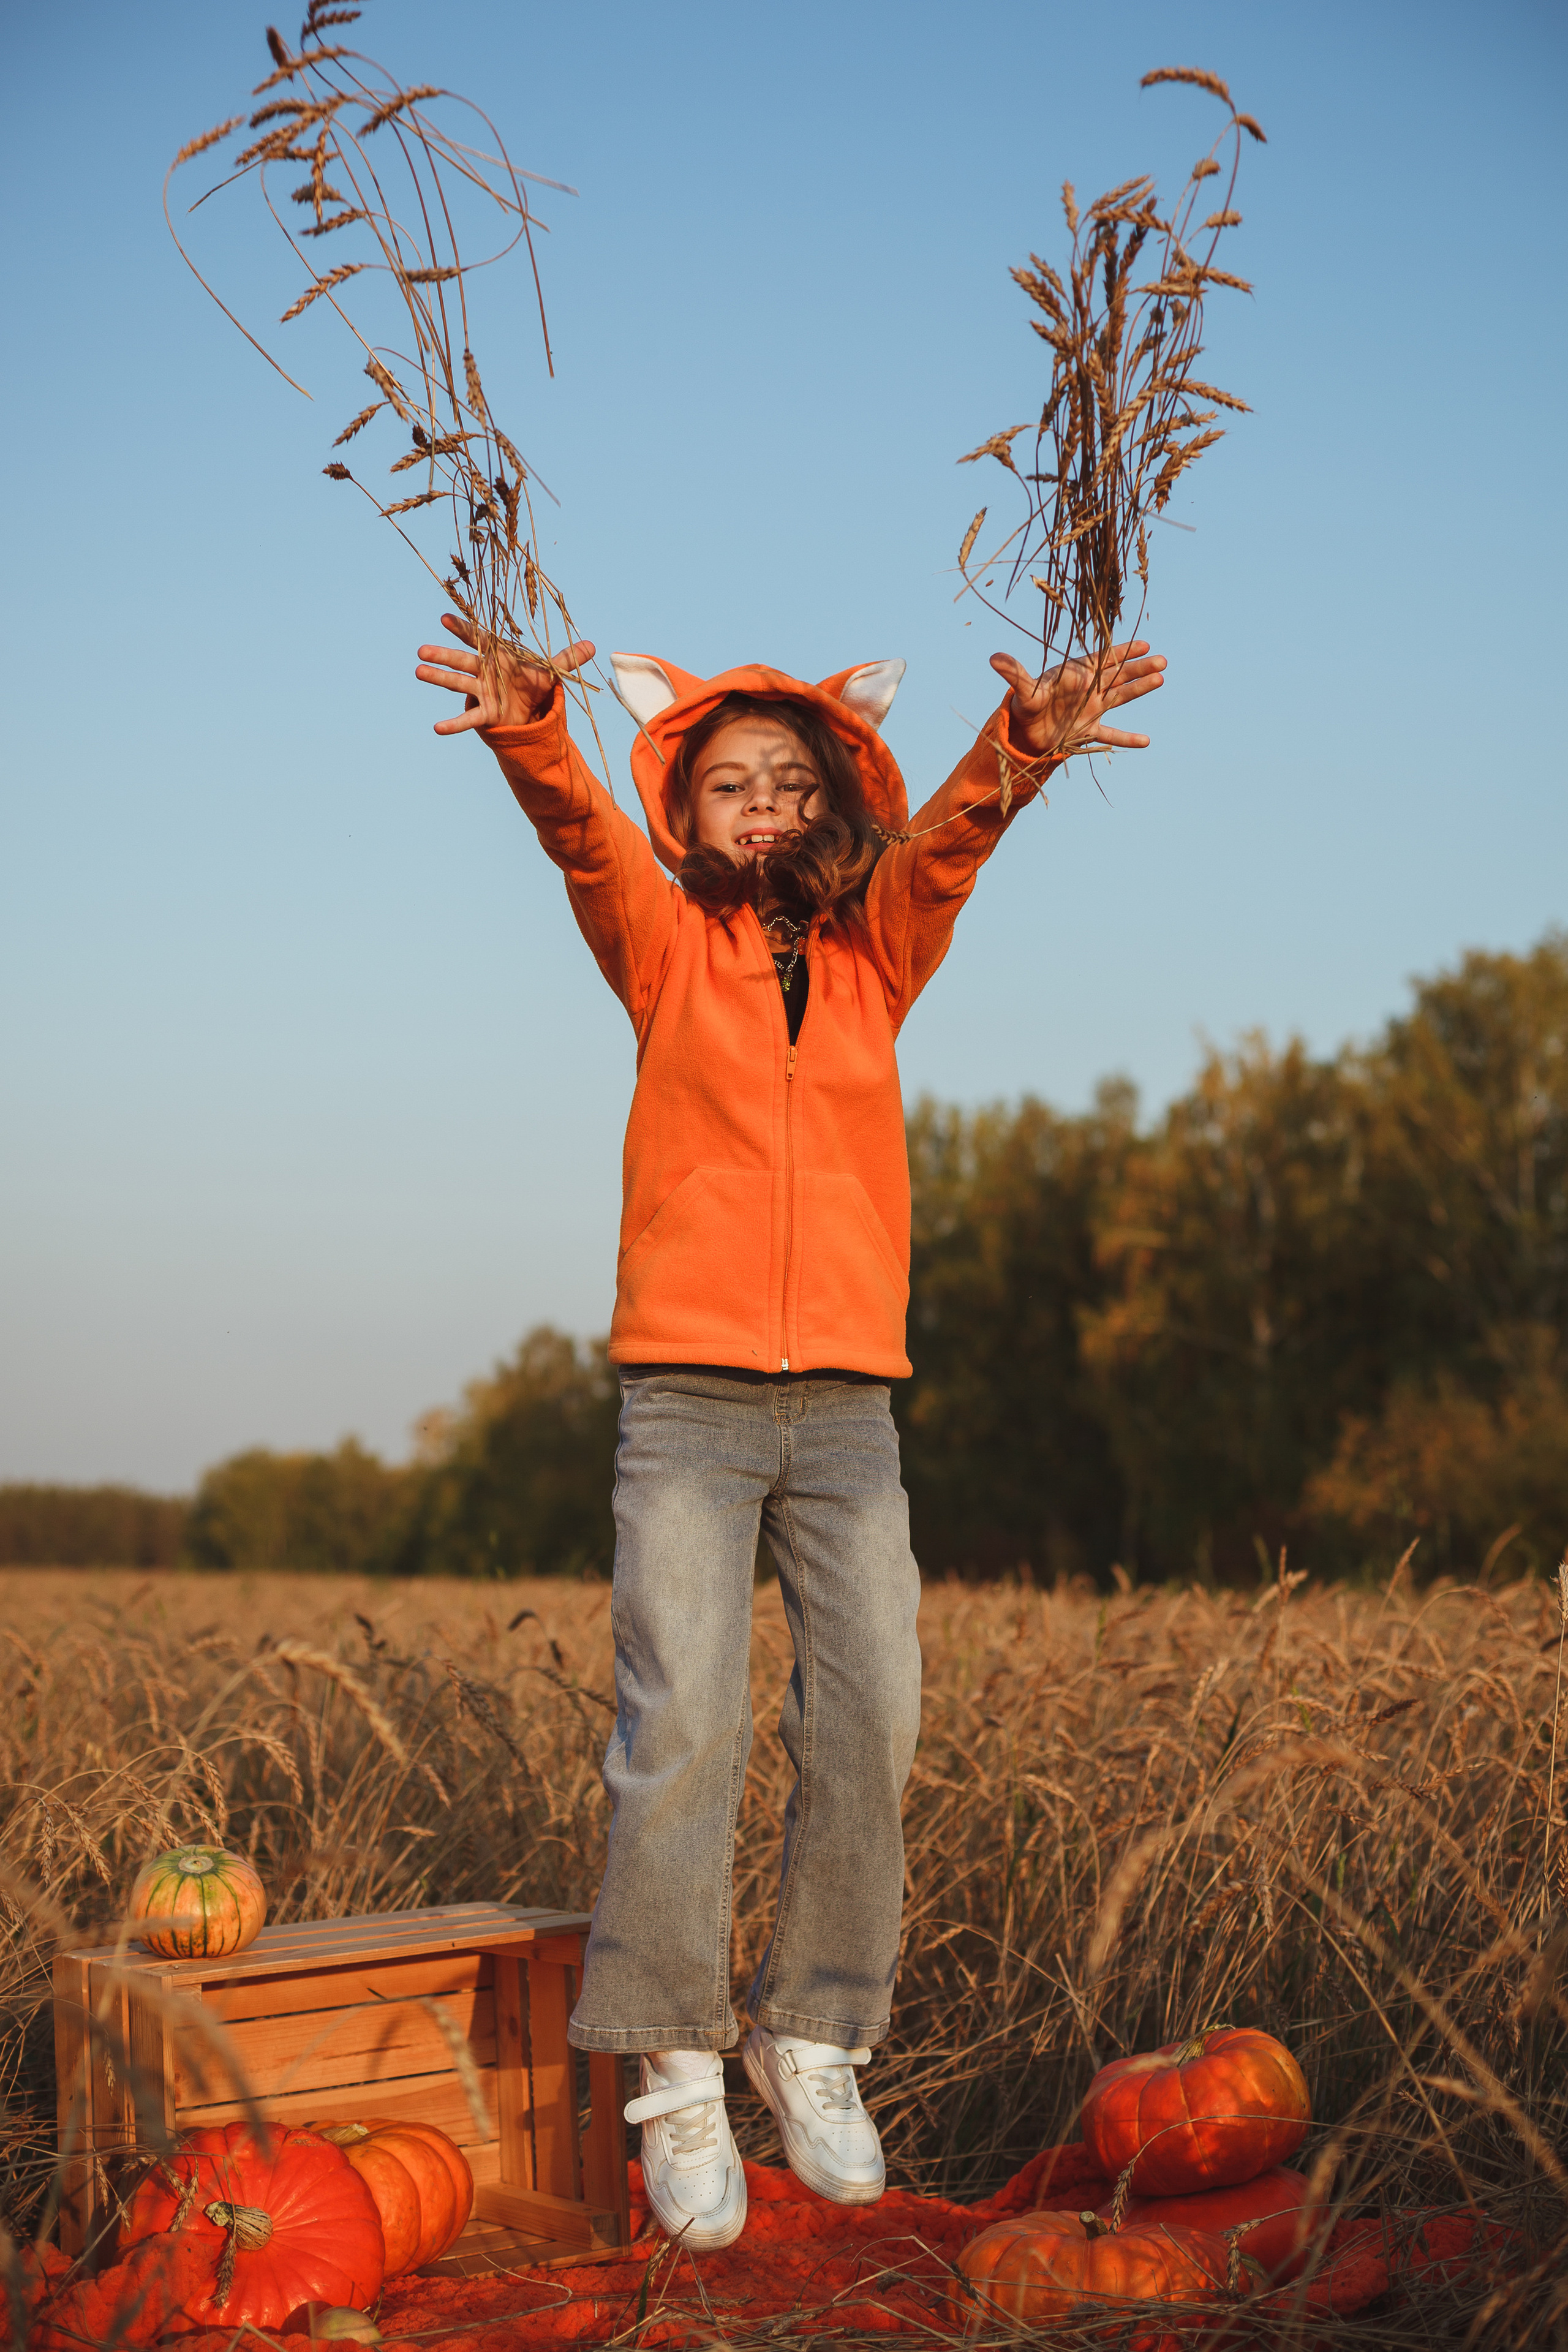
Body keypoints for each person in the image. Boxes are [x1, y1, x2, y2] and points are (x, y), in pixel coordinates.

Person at [413, 616, 1164, 2247]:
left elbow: (951, 853)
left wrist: (1018, 750)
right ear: (684, 813)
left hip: (847, 1406)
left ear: (834, 811)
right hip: (686, 1398)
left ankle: (811, 2031)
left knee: (874, 1713)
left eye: (791, 786)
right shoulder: (662, 944)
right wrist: (534, 739)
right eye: (728, 786)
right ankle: (676, 2065)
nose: (761, 809)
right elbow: (577, 838)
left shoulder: (883, 949)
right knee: (680, 1723)